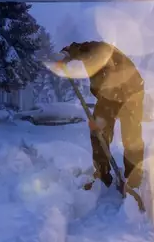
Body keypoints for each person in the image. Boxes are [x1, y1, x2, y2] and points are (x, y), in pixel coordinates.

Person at [58, 41, 145, 193]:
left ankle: (134, 180)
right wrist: (64, 55)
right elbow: (75, 48)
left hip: (132, 95)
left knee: (132, 139)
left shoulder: (103, 51)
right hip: (108, 97)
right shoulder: (87, 50)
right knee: (97, 131)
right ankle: (102, 175)